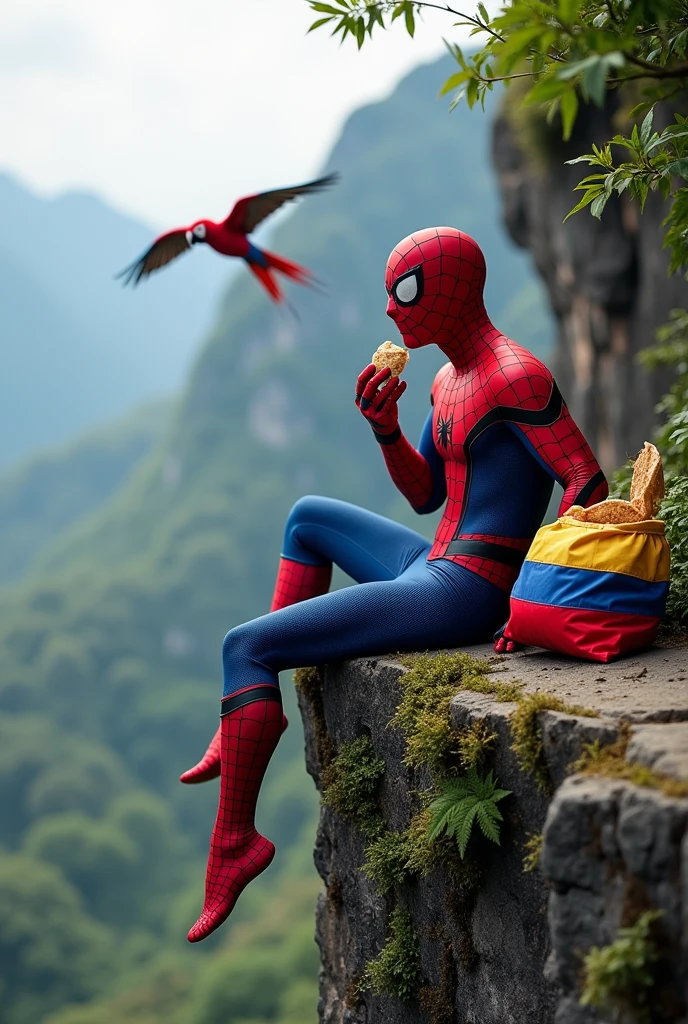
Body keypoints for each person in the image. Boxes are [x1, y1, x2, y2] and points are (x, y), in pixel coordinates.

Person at [183, 227, 608, 942]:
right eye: (389, 290)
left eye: (404, 289)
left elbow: (585, 481)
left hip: (468, 589)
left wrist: (534, 598)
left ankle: (235, 841)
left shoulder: (516, 376)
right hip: (431, 562)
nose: (390, 308)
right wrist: (386, 430)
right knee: (306, 518)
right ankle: (243, 722)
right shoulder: (446, 381)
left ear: (455, 290)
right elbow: (424, 497)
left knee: (245, 648)